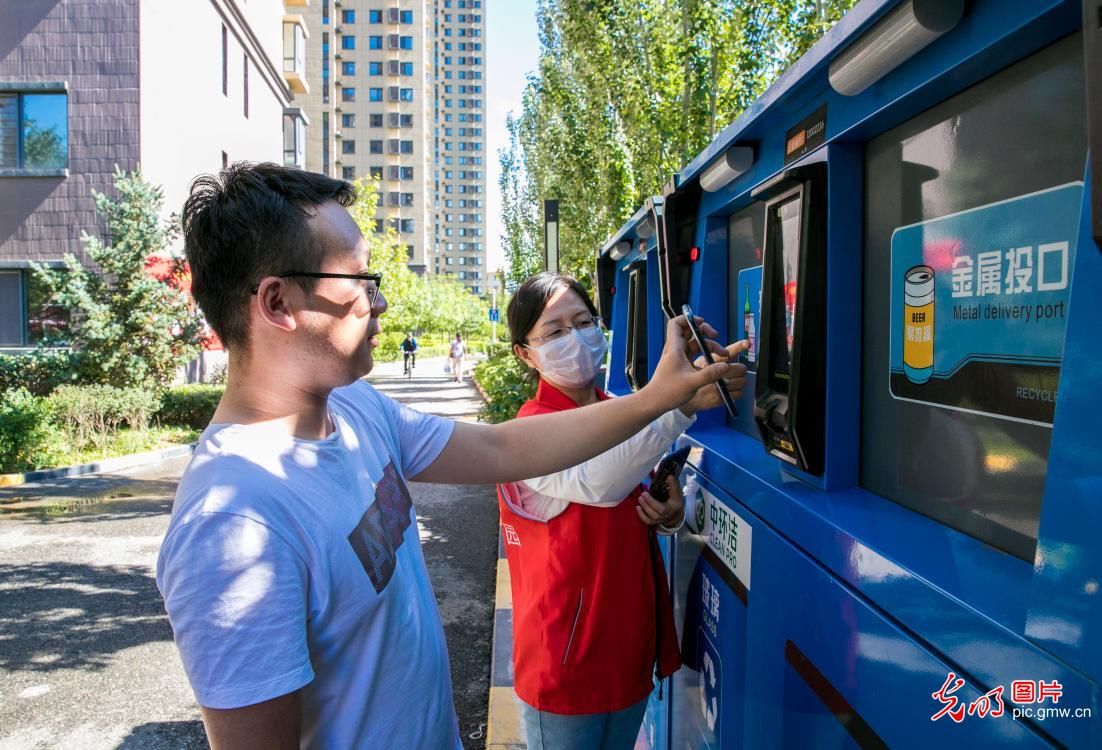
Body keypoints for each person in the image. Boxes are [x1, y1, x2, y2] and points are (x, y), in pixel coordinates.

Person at [155, 162, 735, 750]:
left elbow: (502, 446)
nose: (378, 303)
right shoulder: (232, 526)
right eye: (361, 280)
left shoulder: (357, 410)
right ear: (278, 303)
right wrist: (666, 404)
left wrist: (663, 399)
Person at [497, 274, 748, 750]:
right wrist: (677, 405)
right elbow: (598, 480)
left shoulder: (617, 412)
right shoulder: (526, 434)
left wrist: (667, 514)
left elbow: (627, 494)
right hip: (566, 666)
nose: (574, 338)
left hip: (627, 651)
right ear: (525, 353)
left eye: (583, 321)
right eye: (553, 332)